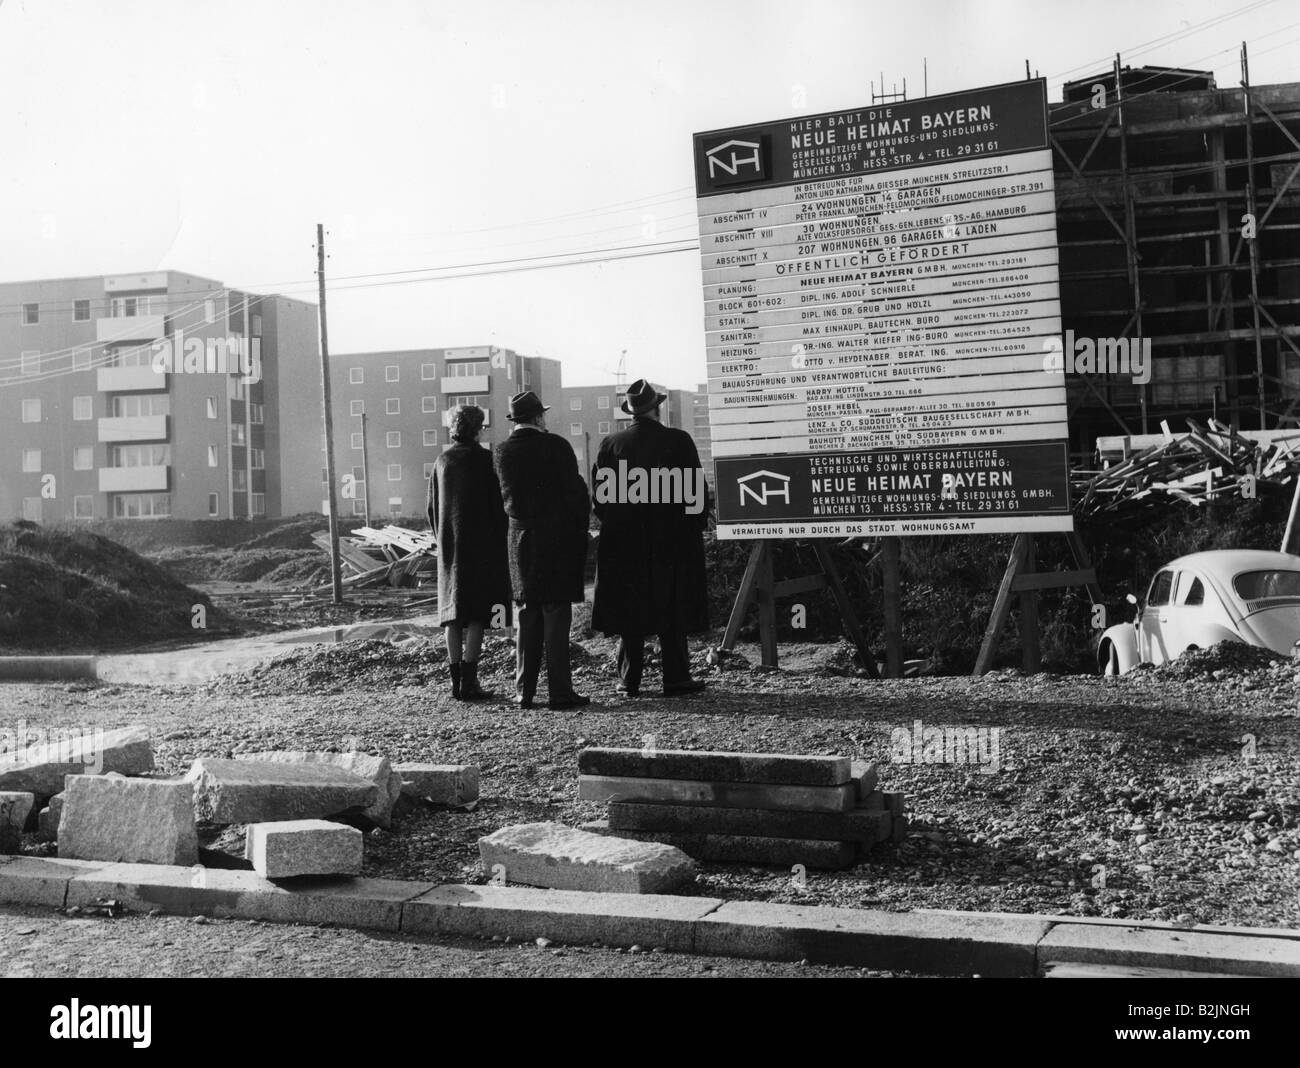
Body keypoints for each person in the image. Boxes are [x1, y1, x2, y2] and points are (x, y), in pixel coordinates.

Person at [592, 378, 710, 697]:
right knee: (671, 609)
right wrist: (692, 529)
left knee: (631, 612)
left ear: (630, 412)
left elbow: (601, 502)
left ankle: (629, 680)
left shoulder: (610, 445)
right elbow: (697, 495)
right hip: (671, 542)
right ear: (658, 408)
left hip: (625, 544)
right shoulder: (679, 441)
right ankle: (675, 678)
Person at [493, 390, 591, 709]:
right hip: (556, 540)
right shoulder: (557, 446)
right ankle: (560, 692)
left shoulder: (502, 452)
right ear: (538, 417)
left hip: (520, 541)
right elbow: (577, 495)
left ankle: (525, 691)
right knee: (556, 615)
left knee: (527, 614)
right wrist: (580, 531)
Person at [426, 404, 511, 701]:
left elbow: (432, 509)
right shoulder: (489, 460)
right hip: (483, 546)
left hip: (449, 548)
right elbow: (500, 507)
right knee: (477, 615)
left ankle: (455, 683)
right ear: (478, 429)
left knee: (452, 616)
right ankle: (470, 681)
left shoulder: (442, 461)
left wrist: (443, 539)